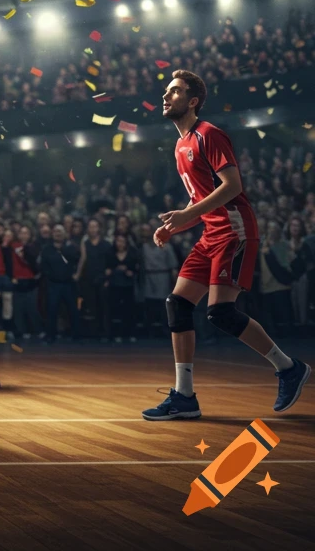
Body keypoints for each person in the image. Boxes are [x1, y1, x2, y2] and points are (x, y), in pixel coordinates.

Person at [143, 70, 308, 420]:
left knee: (220, 312)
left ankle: (288, 367)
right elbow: (201, 198)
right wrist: (178, 224)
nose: (166, 96)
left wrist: (188, 217)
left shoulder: (209, 134)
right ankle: (184, 396)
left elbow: (231, 187)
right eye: (166, 91)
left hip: (235, 231)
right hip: (210, 234)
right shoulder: (180, 144)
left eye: (174, 91)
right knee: (178, 304)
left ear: (192, 101)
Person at [42, 224, 83, 343]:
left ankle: (76, 335)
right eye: (55, 231)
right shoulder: (47, 248)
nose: (57, 233)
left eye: (60, 231)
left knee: (73, 310)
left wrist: (75, 275)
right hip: (53, 284)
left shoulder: (71, 247)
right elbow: (43, 266)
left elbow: (78, 261)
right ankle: (50, 335)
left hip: (69, 284)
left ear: (64, 233)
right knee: (52, 310)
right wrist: (50, 276)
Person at [104, 233, 139, 342]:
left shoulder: (132, 254)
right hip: (115, 285)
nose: (120, 244)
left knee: (129, 310)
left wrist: (130, 272)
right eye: (118, 241)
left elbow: (136, 270)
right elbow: (106, 269)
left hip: (128, 285)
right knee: (115, 311)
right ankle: (116, 334)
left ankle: (130, 334)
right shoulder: (110, 254)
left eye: (122, 241)